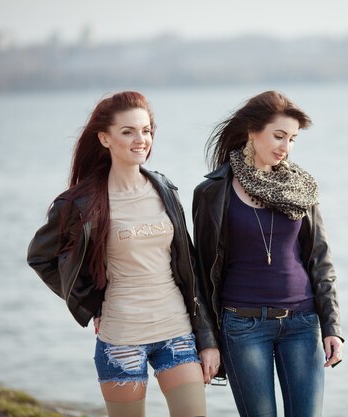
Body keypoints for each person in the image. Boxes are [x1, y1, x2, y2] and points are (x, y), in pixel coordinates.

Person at [27, 91, 220, 417]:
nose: (140, 139)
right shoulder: (80, 203)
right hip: (121, 340)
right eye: (128, 131)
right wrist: (89, 302)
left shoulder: (164, 188)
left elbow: (190, 264)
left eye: (146, 130)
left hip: (177, 332)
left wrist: (207, 338)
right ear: (105, 138)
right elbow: (40, 258)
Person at [192, 90, 344, 417]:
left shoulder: (302, 189)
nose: (285, 147)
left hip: (303, 323)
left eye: (292, 139)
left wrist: (332, 327)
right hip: (242, 326)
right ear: (252, 131)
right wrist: (207, 340)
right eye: (278, 136)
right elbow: (200, 275)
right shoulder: (212, 193)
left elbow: (321, 262)